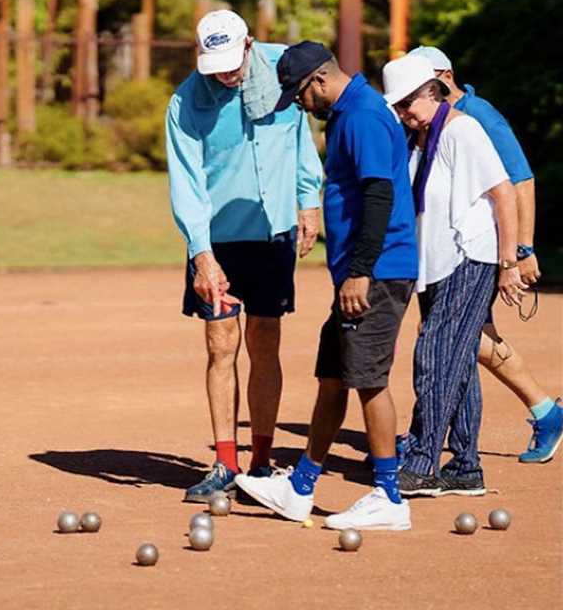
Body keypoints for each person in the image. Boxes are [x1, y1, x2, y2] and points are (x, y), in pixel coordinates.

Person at [235, 42, 418, 530]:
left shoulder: (361, 115)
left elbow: (380, 194)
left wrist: (360, 270)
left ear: (318, 80)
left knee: (368, 378)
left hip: (376, 272)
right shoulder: (349, 113)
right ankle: (300, 487)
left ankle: (389, 496)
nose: (299, 104)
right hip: (359, 274)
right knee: (334, 374)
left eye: (298, 95)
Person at [165, 11, 323, 503]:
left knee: (266, 341)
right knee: (220, 345)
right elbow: (186, 183)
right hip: (219, 239)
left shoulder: (285, 67)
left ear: (250, 44)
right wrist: (201, 255)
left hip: (274, 229)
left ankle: (260, 460)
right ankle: (224, 463)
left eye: (232, 63)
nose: (226, 74)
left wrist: (308, 199)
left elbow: (301, 138)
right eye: (215, 66)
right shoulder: (186, 101)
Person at [406, 46, 562, 464]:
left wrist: (521, 250)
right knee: (466, 338)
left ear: (443, 76)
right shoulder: (432, 124)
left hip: (483, 249)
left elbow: (520, 181)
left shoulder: (478, 115)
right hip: (454, 251)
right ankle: (541, 412)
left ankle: (541, 411)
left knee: (451, 337)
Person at [381, 53, 525, 497]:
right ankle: (465, 466)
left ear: (432, 91)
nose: (404, 113)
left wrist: (508, 262)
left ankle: (424, 461)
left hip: (471, 256)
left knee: (436, 355)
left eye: (409, 103)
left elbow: (504, 194)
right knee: (457, 361)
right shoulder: (421, 138)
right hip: (437, 261)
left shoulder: (462, 130)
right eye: (398, 107)